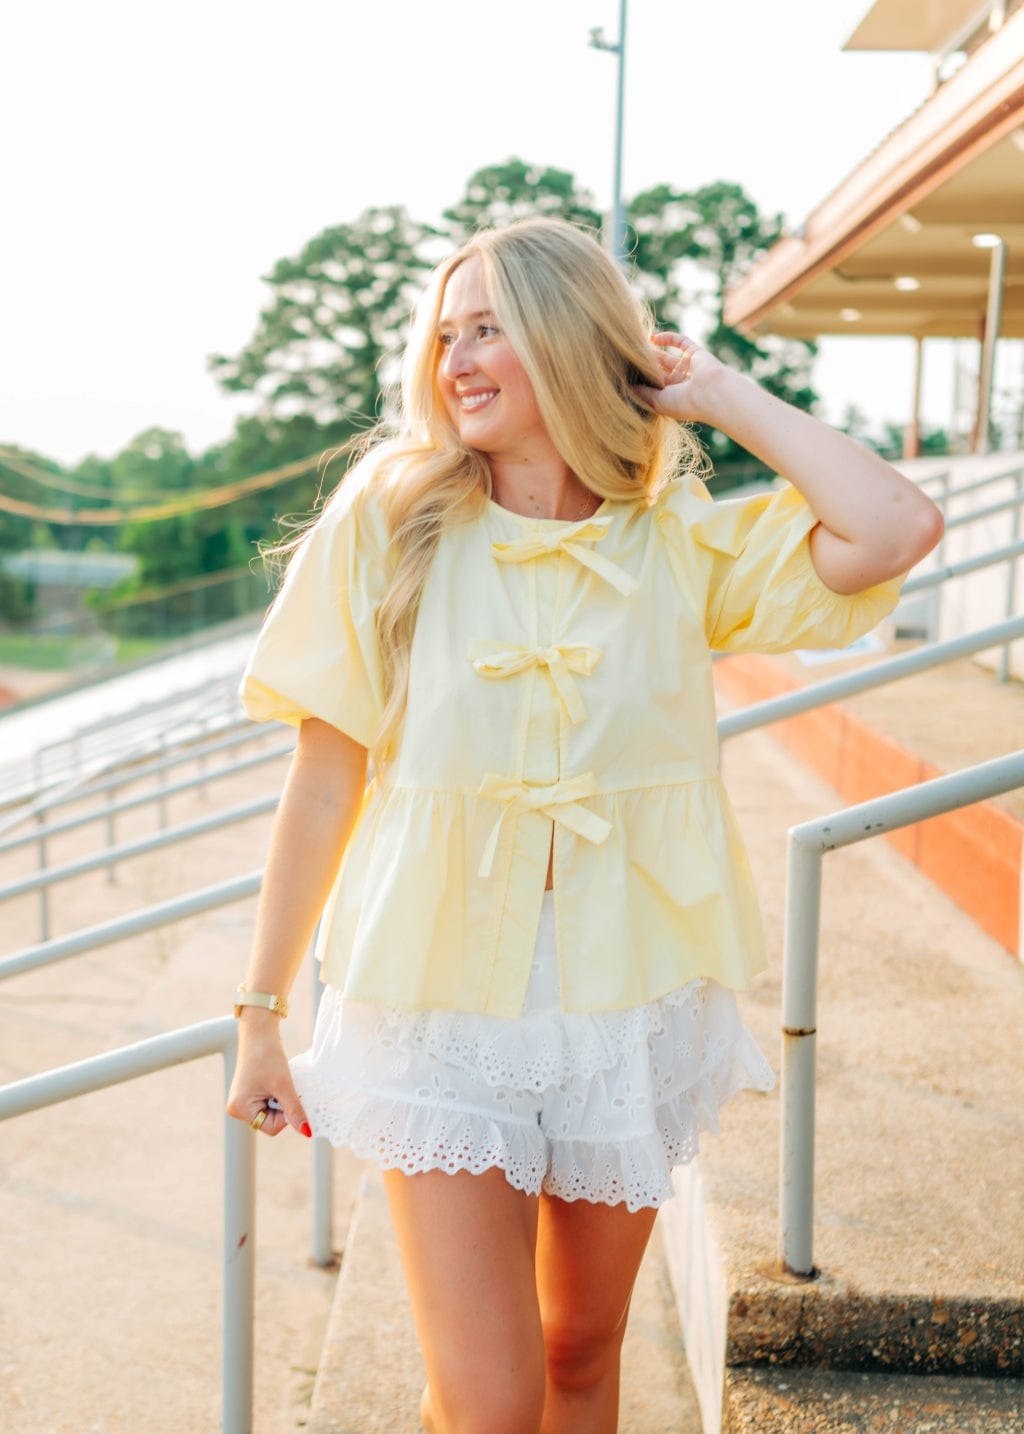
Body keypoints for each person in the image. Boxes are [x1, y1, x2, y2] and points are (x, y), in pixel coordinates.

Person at [226, 217, 942, 1433]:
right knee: (493, 1399)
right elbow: (323, 780)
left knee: (576, 1355)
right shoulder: (388, 522)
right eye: (445, 333)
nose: (456, 358)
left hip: (628, 1001)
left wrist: (717, 393)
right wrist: (259, 1016)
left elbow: (895, 528)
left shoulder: (674, 544)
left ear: (568, 341)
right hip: (436, 1003)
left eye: (490, 326)